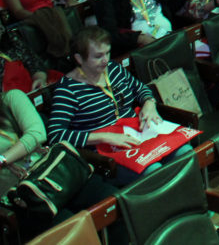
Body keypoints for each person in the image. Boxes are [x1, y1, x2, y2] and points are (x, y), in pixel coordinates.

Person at [46, 27, 188, 186]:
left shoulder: (113, 69)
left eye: (107, 53)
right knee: (152, 170)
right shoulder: (68, 90)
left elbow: (140, 88)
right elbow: (56, 136)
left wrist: (149, 103)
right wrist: (103, 136)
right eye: (98, 56)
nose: (105, 60)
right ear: (79, 59)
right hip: (105, 150)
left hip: (137, 131)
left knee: (185, 153)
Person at [0, 86, 127, 242]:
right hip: (22, 196)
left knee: (112, 200)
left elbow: (37, 133)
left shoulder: (11, 98)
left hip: (53, 171)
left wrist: (3, 159)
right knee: (70, 228)